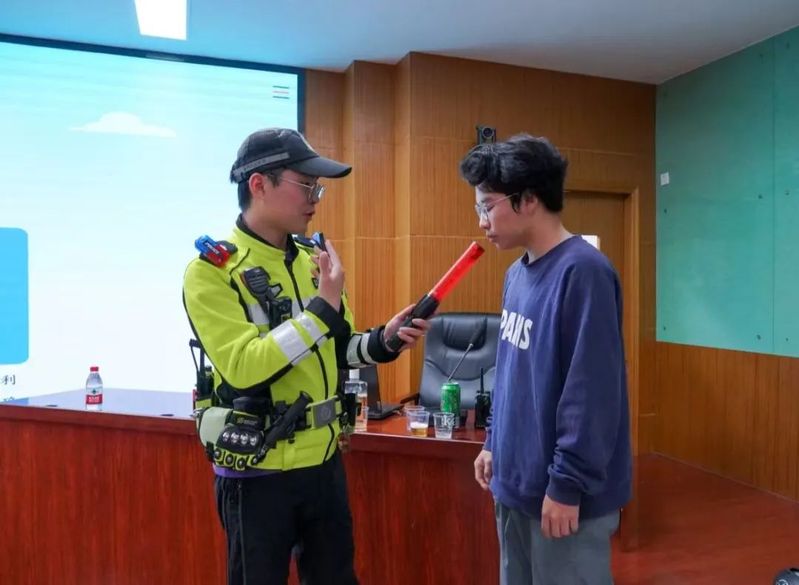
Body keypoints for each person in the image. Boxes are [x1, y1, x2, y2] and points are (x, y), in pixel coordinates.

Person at [183, 127, 430, 585]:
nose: (315, 199)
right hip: (258, 473)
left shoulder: (310, 258)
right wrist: (321, 309)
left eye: (318, 188)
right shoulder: (213, 273)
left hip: (323, 465)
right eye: (306, 186)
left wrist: (383, 341)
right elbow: (243, 367)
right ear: (259, 184)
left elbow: (337, 347)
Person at [460, 134, 631, 585]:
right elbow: (511, 376)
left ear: (529, 199)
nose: (481, 222)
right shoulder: (515, 274)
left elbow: (591, 394)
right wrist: (493, 442)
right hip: (514, 484)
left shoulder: (584, 272)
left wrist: (567, 483)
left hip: (562, 496)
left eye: (487, 206)